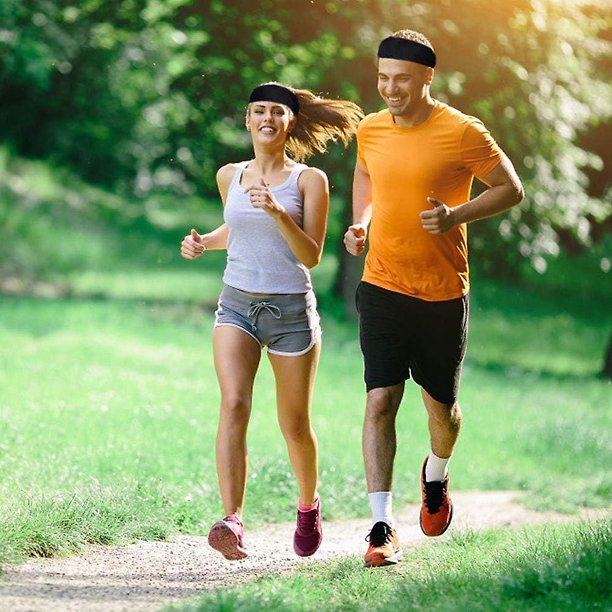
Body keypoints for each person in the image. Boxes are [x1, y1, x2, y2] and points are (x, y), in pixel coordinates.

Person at [343, 30, 524, 568]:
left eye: (401, 79)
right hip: (382, 284)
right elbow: (365, 173)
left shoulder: (463, 132)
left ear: (427, 78)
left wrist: (454, 216)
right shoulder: (371, 129)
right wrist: (361, 221)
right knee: (380, 400)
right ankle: (380, 525)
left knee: (441, 409)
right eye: (382, 78)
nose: (390, 89)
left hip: (442, 293)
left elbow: (511, 188)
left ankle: (436, 474)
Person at [181, 82, 362, 560]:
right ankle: (233, 520)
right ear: (247, 120)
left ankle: (307, 506)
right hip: (236, 303)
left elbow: (312, 254)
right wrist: (204, 242)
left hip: (289, 311)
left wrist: (280, 211)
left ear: (290, 122)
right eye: (258, 110)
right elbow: (236, 229)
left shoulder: (309, 181)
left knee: (294, 424)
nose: (267, 118)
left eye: (277, 112)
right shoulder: (229, 175)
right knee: (235, 403)